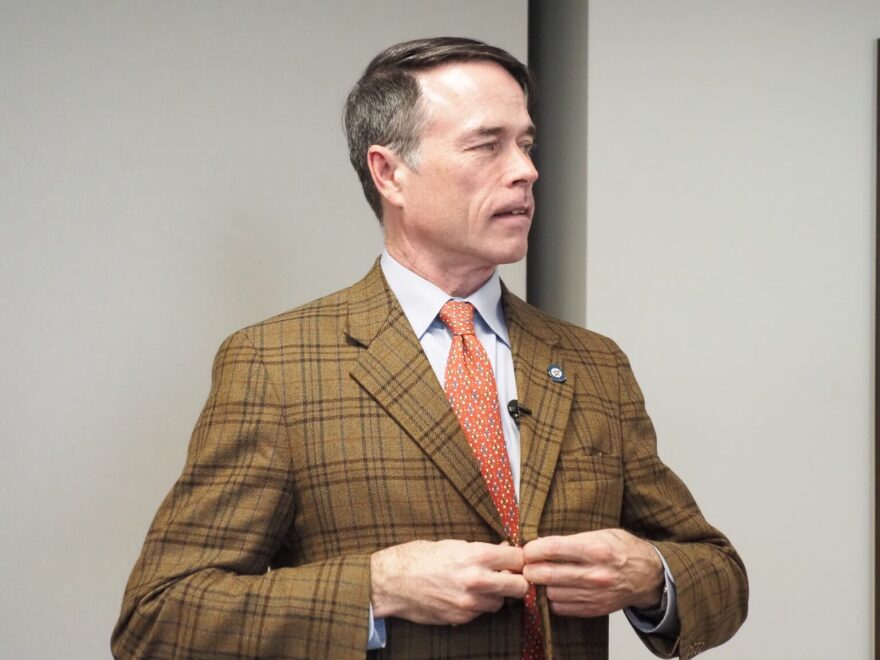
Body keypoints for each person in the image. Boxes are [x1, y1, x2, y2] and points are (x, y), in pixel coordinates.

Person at [112, 37, 747, 659]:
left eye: (526, 144)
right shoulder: (274, 365)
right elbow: (158, 619)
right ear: (389, 173)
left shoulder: (594, 363)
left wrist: (650, 574)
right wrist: (376, 589)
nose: (526, 170)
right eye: (487, 144)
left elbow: (719, 574)